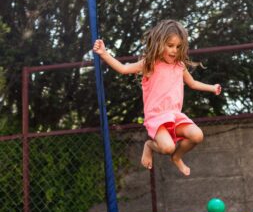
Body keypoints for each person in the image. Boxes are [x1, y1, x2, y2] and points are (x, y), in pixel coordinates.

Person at [93, 19, 221, 176]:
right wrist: (104, 54)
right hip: (157, 117)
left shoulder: (179, 66)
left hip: (175, 116)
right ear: (160, 43)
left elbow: (192, 83)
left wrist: (212, 88)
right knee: (167, 147)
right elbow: (124, 69)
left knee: (197, 135)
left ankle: (177, 157)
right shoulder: (150, 63)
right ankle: (149, 145)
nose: (174, 50)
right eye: (170, 45)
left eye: (178, 47)